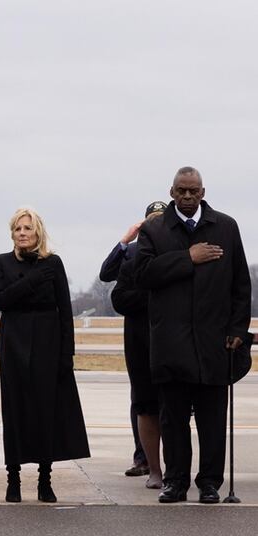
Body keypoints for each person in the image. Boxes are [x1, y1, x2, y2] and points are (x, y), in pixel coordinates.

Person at [133, 167, 251, 504]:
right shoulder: (155, 230)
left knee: (213, 420)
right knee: (173, 420)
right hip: (171, 345)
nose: (187, 197)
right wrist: (187, 257)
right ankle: (176, 481)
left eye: (194, 191)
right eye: (182, 191)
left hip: (214, 343)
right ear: (171, 192)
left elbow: (240, 285)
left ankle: (210, 482)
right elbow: (142, 274)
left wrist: (237, 330)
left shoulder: (225, 227)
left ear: (203, 192)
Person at [0, 207, 90, 503]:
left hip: (48, 341)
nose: (22, 233)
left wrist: (66, 353)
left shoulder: (53, 263)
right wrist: (32, 281)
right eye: (18, 229)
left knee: (47, 410)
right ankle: (13, 478)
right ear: (12, 233)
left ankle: (45, 478)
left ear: (38, 233)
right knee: (15, 409)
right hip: (14, 341)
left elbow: (66, 311)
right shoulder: (2, 262)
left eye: (28, 229)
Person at [99, 202, 166, 480]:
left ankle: (169, 465)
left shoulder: (176, 251)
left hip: (168, 338)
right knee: (141, 401)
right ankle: (143, 458)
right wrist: (126, 240)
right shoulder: (134, 252)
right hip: (138, 338)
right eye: (150, 221)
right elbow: (106, 274)